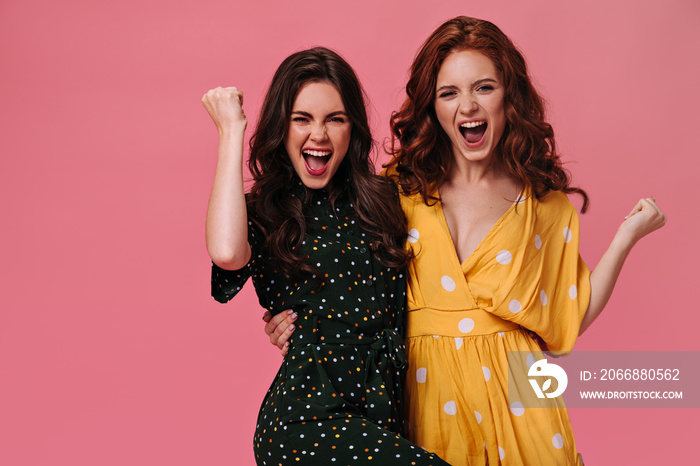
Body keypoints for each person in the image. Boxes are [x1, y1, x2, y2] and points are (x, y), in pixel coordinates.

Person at [264, 18, 666, 466]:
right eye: (449, 92)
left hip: (521, 402)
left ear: (508, 96)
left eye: (484, 88)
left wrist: (625, 239)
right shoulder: (396, 189)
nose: (467, 106)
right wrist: (298, 324)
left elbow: (568, 318)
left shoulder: (544, 206)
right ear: (432, 106)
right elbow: (344, 271)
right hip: (423, 397)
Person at [203, 47, 450, 465]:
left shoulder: (384, 200)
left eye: (334, 119)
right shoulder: (268, 211)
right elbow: (227, 253)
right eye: (302, 119)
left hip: (381, 413)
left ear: (352, 128)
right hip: (305, 421)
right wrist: (231, 129)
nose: (318, 134)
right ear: (281, 128)